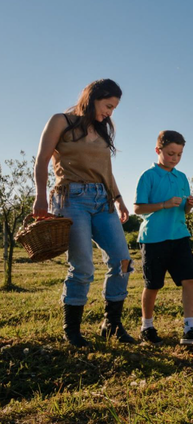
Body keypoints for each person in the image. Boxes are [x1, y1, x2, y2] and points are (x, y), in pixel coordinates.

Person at [33, 79, 135, 348]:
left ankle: (111, 324)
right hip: (71, 197)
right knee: (82, 266)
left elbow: (106, 171)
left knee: (123, 261)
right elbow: (42, 158)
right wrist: (41, 197)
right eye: (108, 105)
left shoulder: (103, 131)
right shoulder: (61, 121)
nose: (110, 112)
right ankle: (72, 330)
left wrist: (119, 199)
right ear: (93, 98)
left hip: (102, 200)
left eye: (114, 108)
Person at [133, 130, 193, 346]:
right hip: (153, 239)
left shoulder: (182, 177)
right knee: (153, 284)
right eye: (170, 154)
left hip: (179, 236)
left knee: (189, 279)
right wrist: (164, 204)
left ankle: (189, 328)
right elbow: (138, 208)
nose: (175, 159)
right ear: (158, 150)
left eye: (179, 154)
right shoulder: (147, 176)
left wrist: (189, 206)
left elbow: (184, 213)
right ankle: (146, 327)